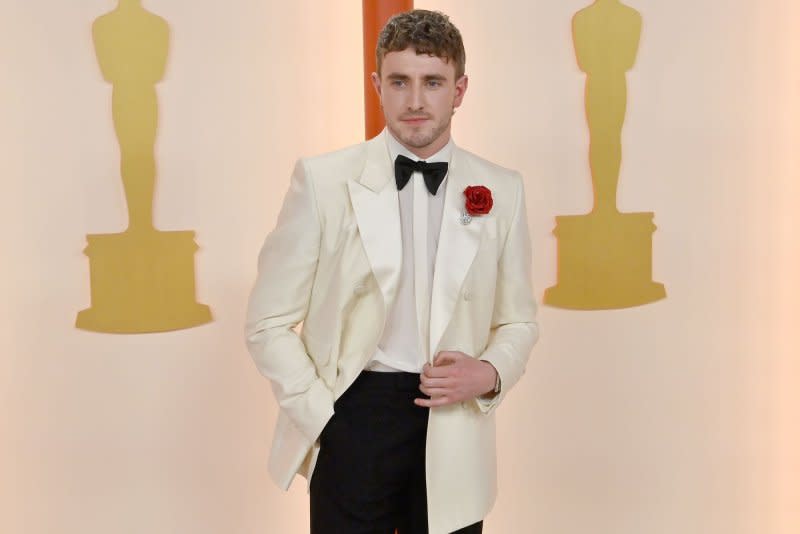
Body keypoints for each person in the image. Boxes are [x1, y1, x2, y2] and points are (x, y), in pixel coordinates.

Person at [245, 9, 538, 534]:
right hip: (355, 413)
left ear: (460, 89)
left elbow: (519, 321)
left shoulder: (504, 189)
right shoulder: (322, 181)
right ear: (378, 84)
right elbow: (266, 324)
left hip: (454, 418)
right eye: (400, 82)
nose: (416, 101)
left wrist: (490, 372)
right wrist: (322, 416)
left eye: (433, 82)